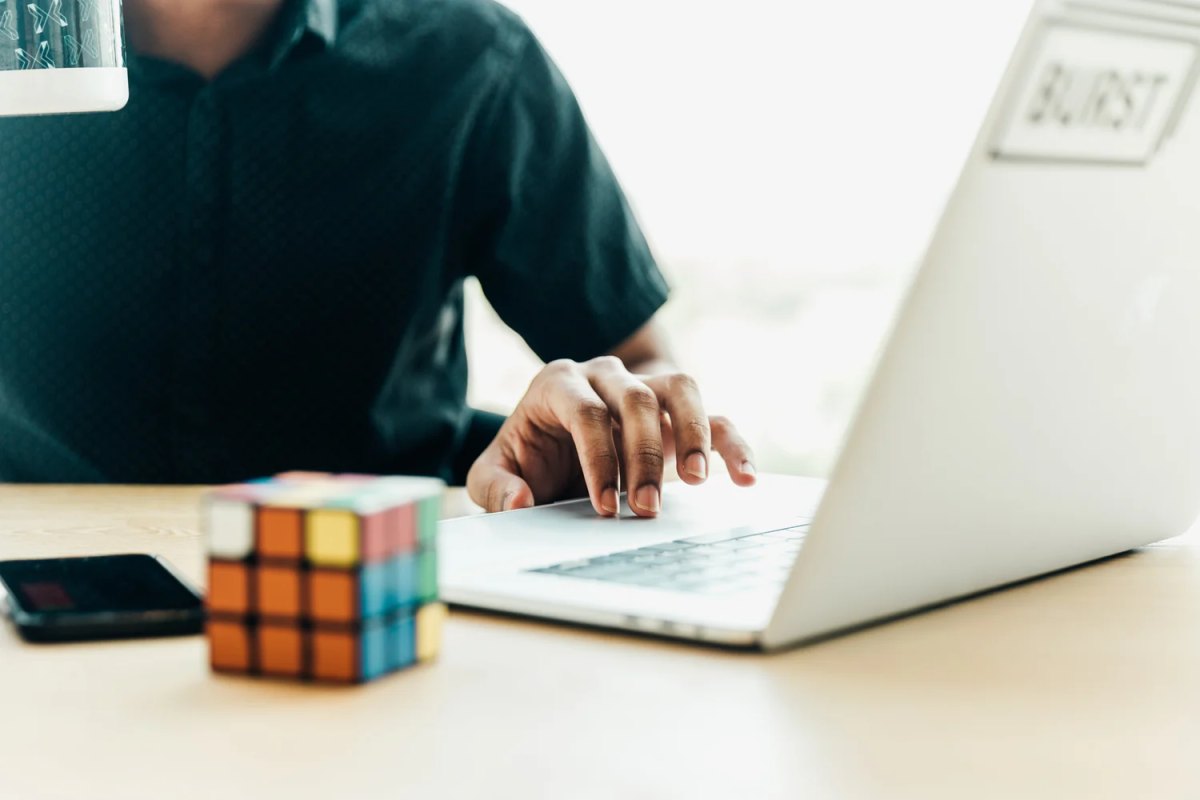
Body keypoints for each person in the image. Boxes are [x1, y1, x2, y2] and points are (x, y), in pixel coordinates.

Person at [0, 0, 756, 517]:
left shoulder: (468, 58)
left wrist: (609, 421)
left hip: (387, 582)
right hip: (38, 599)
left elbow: (635, 364)